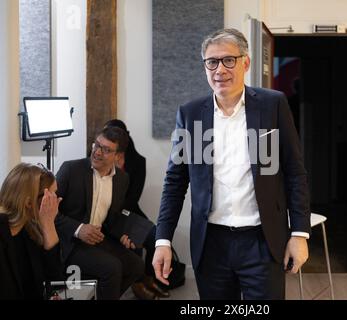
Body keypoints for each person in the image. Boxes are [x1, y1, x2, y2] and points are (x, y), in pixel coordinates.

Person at [153, 28, 311, 300]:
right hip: (211, 243)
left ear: (245, 63)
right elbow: (175, 182)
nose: (219, 70)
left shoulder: (273, 105)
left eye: (228, 60)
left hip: (262, 241)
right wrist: (163, 240)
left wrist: (299, 233)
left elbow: (295, 172)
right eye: (211, 62)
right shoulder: (190, 115)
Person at [55, 126, 149, 300]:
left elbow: (112, 219)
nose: (98, 152)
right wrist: (78, 229)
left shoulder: (122, 179)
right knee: (112, 268)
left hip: (99, 239)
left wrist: (122, 234)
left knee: (136, 265)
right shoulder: (70, 169)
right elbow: (48, 212)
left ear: (118, 156)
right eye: (97, 145)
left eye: (106, 150)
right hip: (69, 241)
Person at [103, 119, 170, 298]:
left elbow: (133, 198)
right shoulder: (100, 156)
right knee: (136, 242)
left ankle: (149, 279)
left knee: (156, 236)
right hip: (105, 213)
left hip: (128, 210)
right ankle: (138, 284)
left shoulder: (138, 161)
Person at [0, 163, 63, 299]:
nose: (56, 202)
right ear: (29, 203)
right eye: (51, 198)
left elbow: (55, 280)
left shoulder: (31, 230)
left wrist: (48, 225)